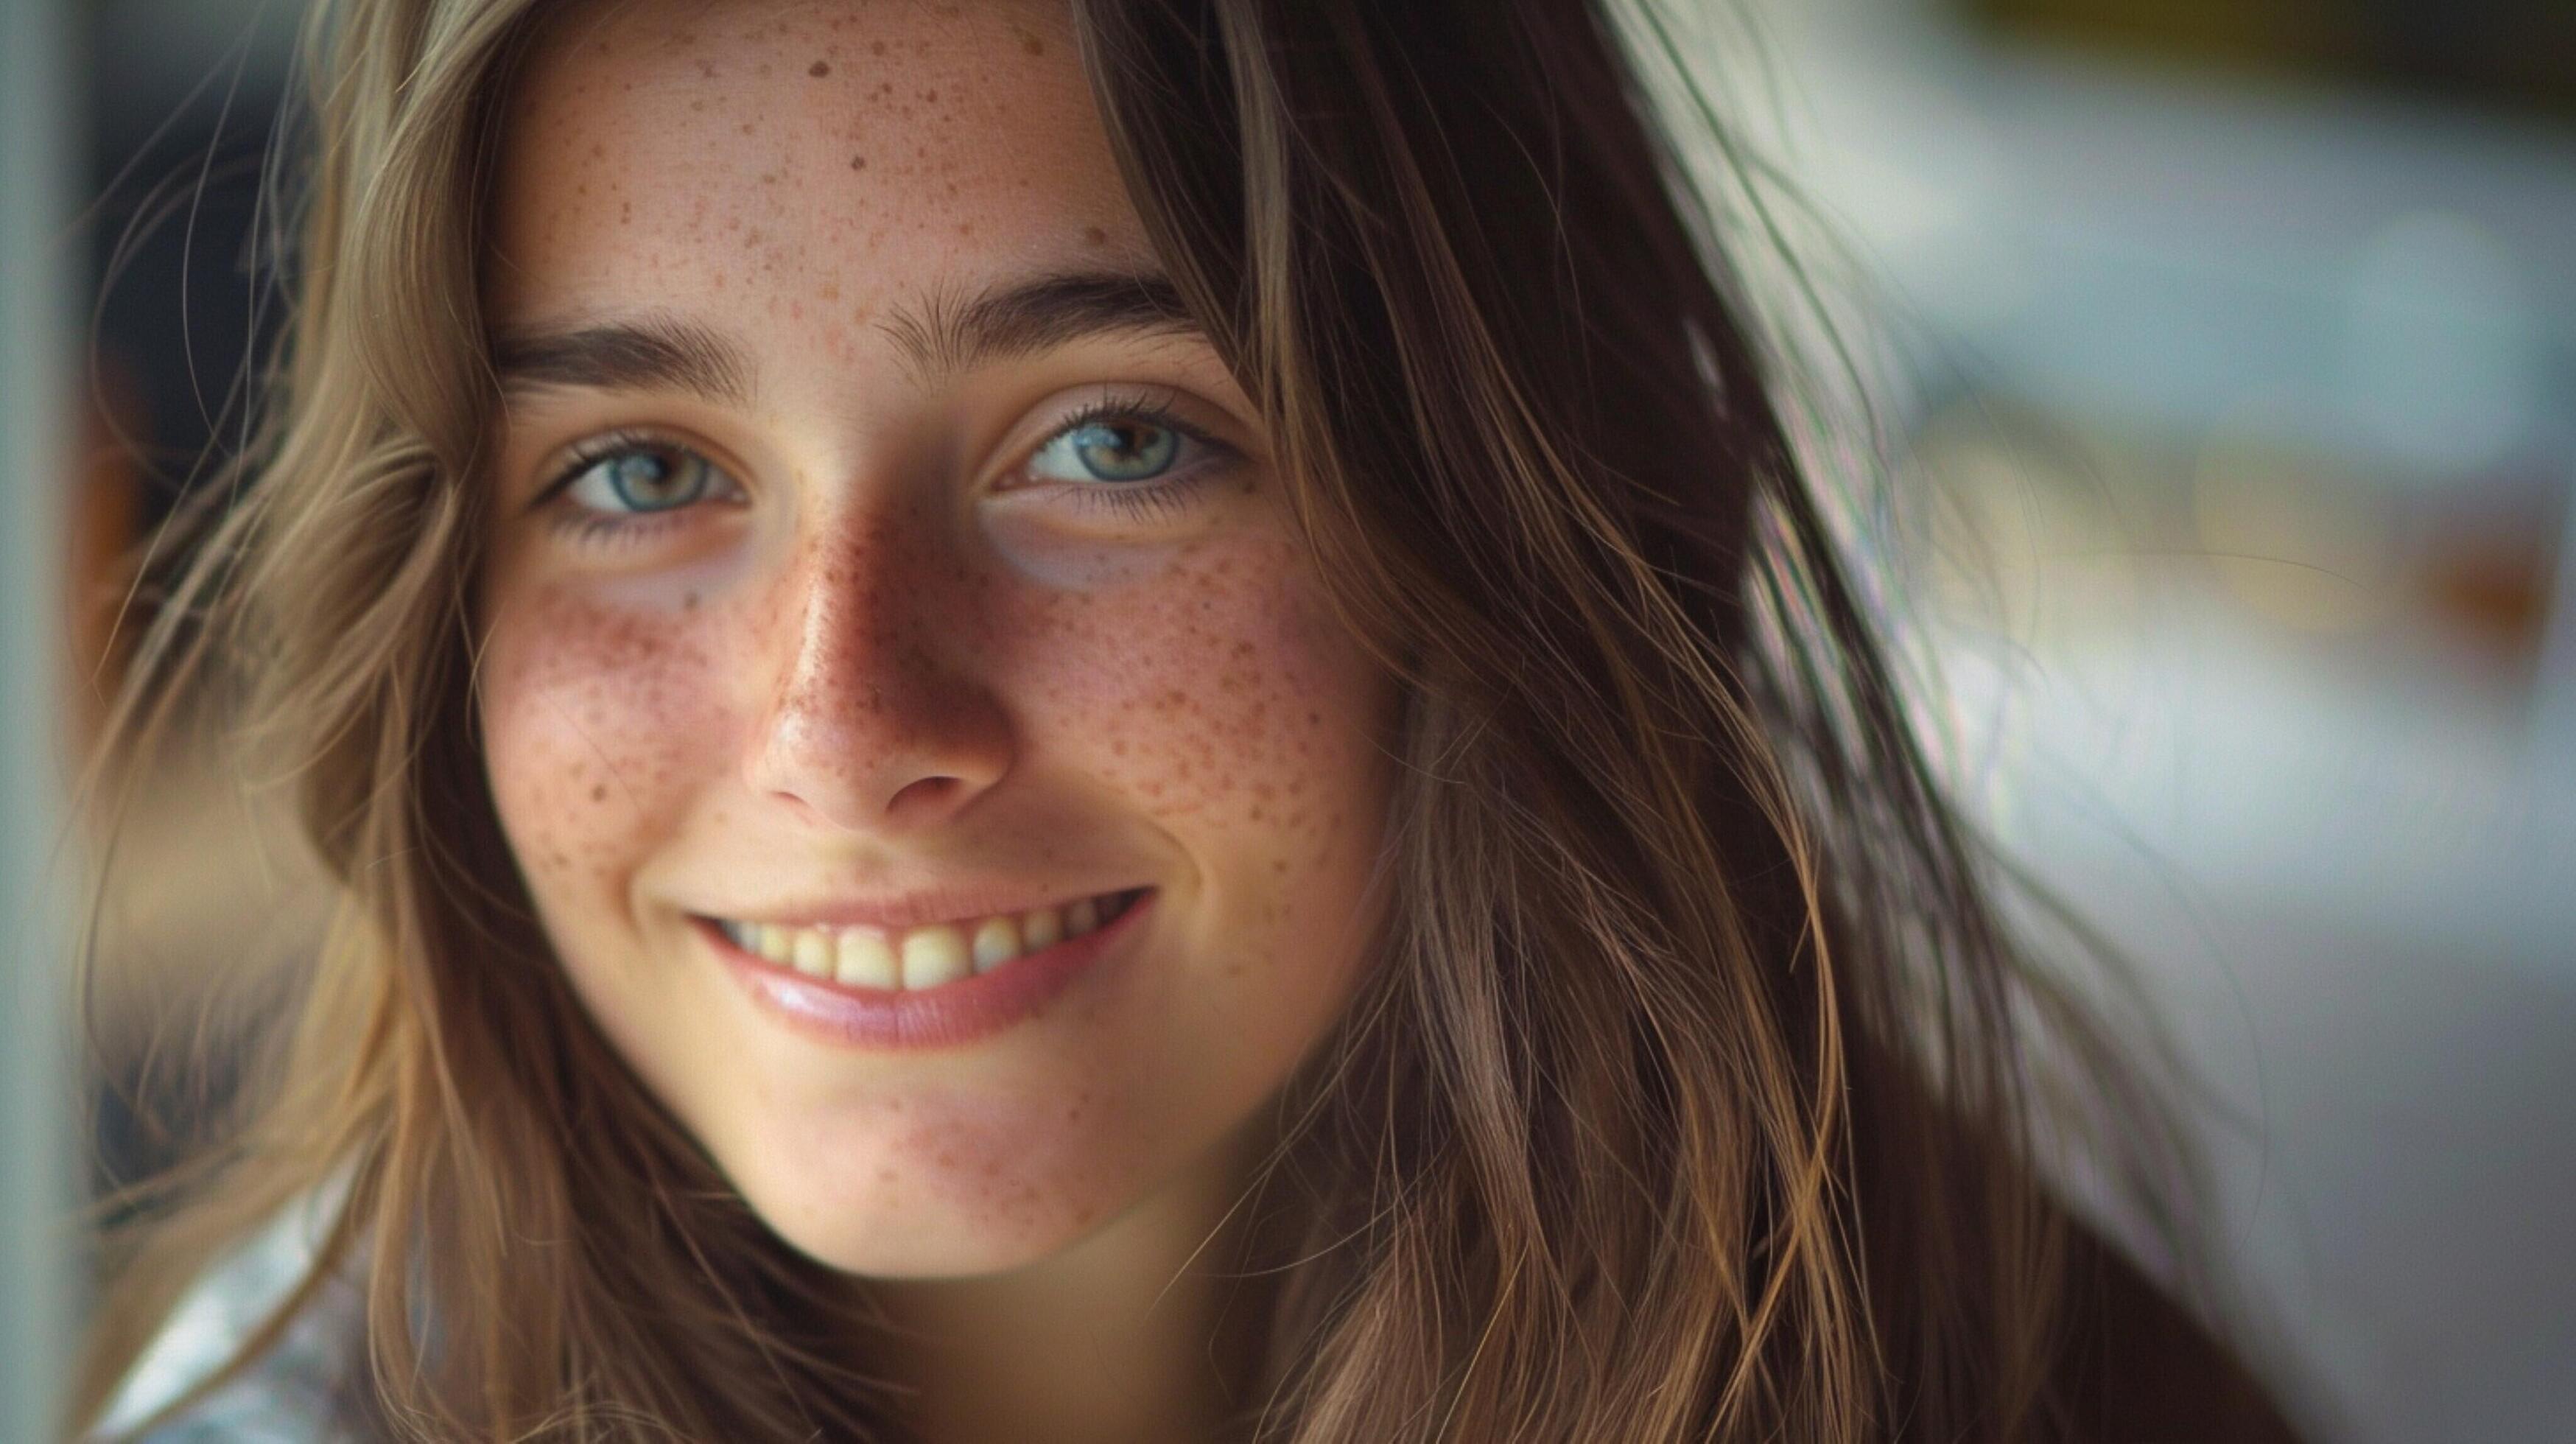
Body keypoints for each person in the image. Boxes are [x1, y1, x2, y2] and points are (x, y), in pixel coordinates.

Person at [71, 0, 2306, 1439]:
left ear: (1534, 511)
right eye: (642, 474)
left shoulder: (1991, 1365)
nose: (846, 731)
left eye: (1115, 444)